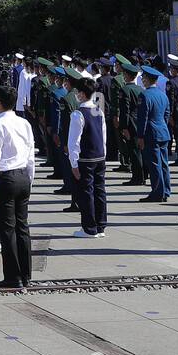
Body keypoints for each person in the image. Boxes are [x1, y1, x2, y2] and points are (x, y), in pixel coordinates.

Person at [0, 84, 36, 289]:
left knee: (7, 229)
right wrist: (30, 179)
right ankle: (26, 274)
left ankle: (12, 276)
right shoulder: (24, 123)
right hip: (23, 175)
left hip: (6, 178)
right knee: (22, 227)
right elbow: (30, 154)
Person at [66, 75, 108, 238]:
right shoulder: (98, 110)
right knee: (99, 191)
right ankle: (100, 225)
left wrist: (73, 163)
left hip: (85, 159)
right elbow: (103, 136)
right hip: (99, 157)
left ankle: (89, 228)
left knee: (86, 193)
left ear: (82, 94)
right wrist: (103, 154)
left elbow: (73, 142)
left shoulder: (78, 114)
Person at [136, 67, 171, 202]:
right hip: (163, 132)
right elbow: (167, 114)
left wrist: (140, 136)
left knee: (154, 164)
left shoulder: (144, 95)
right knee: (164, 163)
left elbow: (142, 118)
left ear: (146, 79)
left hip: (151, 134)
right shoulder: (162, 94)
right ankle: (166, 191)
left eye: (143, 78)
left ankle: (157, 192)